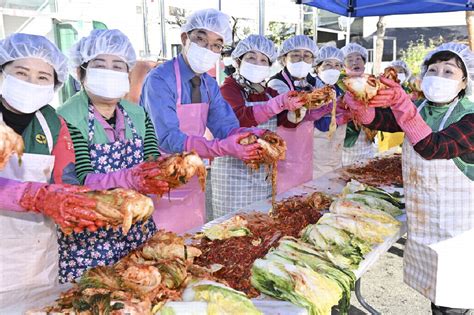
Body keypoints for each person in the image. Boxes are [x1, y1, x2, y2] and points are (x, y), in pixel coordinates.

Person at [345, 42, 474, 314]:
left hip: (458, 227)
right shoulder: (422, 106)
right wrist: (359, 100)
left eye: (448, 72)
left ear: (465, 82)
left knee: (454, 301)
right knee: (436, 294)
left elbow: (433, 147)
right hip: (425, 216)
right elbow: (378, 120)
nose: (438, 76)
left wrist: (402, 103)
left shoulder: (470, 118)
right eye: (433, 70)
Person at [0, 33, 102, 313]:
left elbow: (66, 182)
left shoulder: (52, 124)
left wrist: (92, 207)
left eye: (43, 77)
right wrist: (35, 195)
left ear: (55, 85)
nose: (31, 83)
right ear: (2, 73)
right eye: (21, 73)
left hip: (35, 255)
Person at [57, 29, 169, 283]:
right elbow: (80, 178)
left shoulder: (137, 114)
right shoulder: (66, 117)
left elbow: (152, 159)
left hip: (137, 231)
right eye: (99, 64)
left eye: (118, 66)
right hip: (89, 239)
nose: (110, 71)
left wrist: (167, 170)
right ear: (80, 72)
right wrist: (132, 178)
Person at [141, 9, 261, 230]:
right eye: (201, 39)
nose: (208, 49)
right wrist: (219, 148)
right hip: (160, 177)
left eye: (216, 44)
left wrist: (248, 138)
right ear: (185, 38)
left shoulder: (208, 83)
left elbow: (225, 124)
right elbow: (167, 137)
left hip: (194, 177)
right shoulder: (159, 79)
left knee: (193, 238)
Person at [212, 34, 305, 218]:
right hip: (234, 177)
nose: (257, 63)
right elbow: (237, 120)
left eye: (263, 60)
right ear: (238, 61)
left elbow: (283, 121)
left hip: (263, 174)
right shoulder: (228, 89)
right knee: (234, 230)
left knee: (261, 224)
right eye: (251, 57)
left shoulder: (269, 92)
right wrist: (276, 105)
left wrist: (296, 114)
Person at [267, 35, 322, 193]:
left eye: (307, 56)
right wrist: (316, 104)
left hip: (305, 150)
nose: (302, 60)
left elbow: (327, 95)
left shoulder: (313, 82)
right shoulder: (276, 82)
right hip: (284, 148)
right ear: (284, 59)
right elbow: (291, 104)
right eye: (296, 55)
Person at [312, 45, 347, 178]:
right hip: (317, 156)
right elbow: (319, 123)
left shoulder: (340, 90)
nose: (333, 69)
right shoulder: (313, 89)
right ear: (317, 67)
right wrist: (340, 119)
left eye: (337, 65)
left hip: (336, 152)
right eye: (328, 65)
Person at [340, 42, 377, 166]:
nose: (355, 62)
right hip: (346, 145)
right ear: (343, 65)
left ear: (364, 62)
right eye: (349, 60)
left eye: (358, 59)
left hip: (367, 143)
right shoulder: (339, 85)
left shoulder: (373, 84)